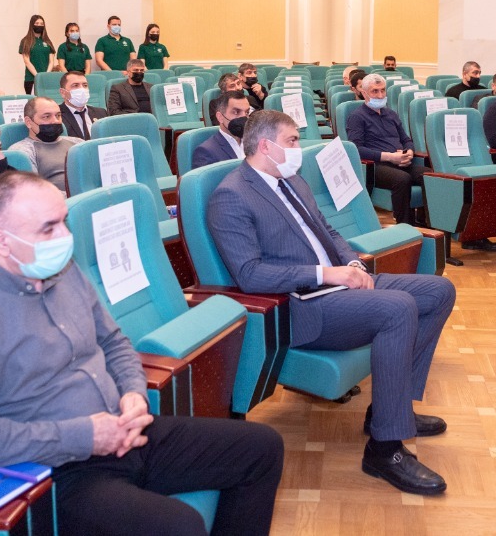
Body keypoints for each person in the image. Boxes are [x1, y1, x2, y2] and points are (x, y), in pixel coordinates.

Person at [0, 171, 284, 534]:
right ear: (2, 240)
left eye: (63, 221)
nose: (64, 237)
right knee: (180, 526)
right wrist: (86, 435)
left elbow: (114, 342)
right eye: (48, 229)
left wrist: (133, 394)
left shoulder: (65, 273)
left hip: (124, 432)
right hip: (58, 470)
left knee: (261, 448)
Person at [207, 111, 454, 496]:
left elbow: (329, 231)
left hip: (340, 284)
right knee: (398, 307)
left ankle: (389, 410)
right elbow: (250, 275)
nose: (298, 148)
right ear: (266, 146)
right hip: (302, 306)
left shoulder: (292, 179)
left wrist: (352, 264)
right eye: (291, 141)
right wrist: (328, 274)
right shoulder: (231, 195)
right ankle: (384, 450)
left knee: (439, 291)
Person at [347, 74, 424, 225]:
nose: (380, 95)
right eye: (375, 91)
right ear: (364, 93)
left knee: (429, 175)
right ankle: (405, 226)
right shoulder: (357, 117)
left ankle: (425, 222)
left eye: (383, 90)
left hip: (400, 161)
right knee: (402, 179)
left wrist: (409, 152)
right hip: (375, 165)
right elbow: (356, 149)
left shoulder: (391, 114)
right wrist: (389, 157)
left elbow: (406, 140)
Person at [8, 97, 81, 193]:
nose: (55, 121)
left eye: (58, 115)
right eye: (46, 117)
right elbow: (35, 193)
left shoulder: (78, 143)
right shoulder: (21, 151)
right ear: (29, 122)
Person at [192, 91, 249, 169]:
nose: (244, 117)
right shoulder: (205, 152)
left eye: (247, 112)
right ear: (220, 117)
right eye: (236, 112)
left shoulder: (256, 142)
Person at [60, 72, 106, 141]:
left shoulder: (101, 113)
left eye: (85, 85)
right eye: (75, 85)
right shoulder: (56, 116)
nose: (82, 89)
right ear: (63, 92)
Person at [19, 14, 56, 95]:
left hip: (46, 79)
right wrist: (37, 76)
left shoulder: (47, 41)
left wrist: (45, 75)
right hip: (31, 79)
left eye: (41, 24)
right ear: (32, 25)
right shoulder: (25, 41)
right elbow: (27, 61)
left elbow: (51, 62)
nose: (39, 25)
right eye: (37, 23)